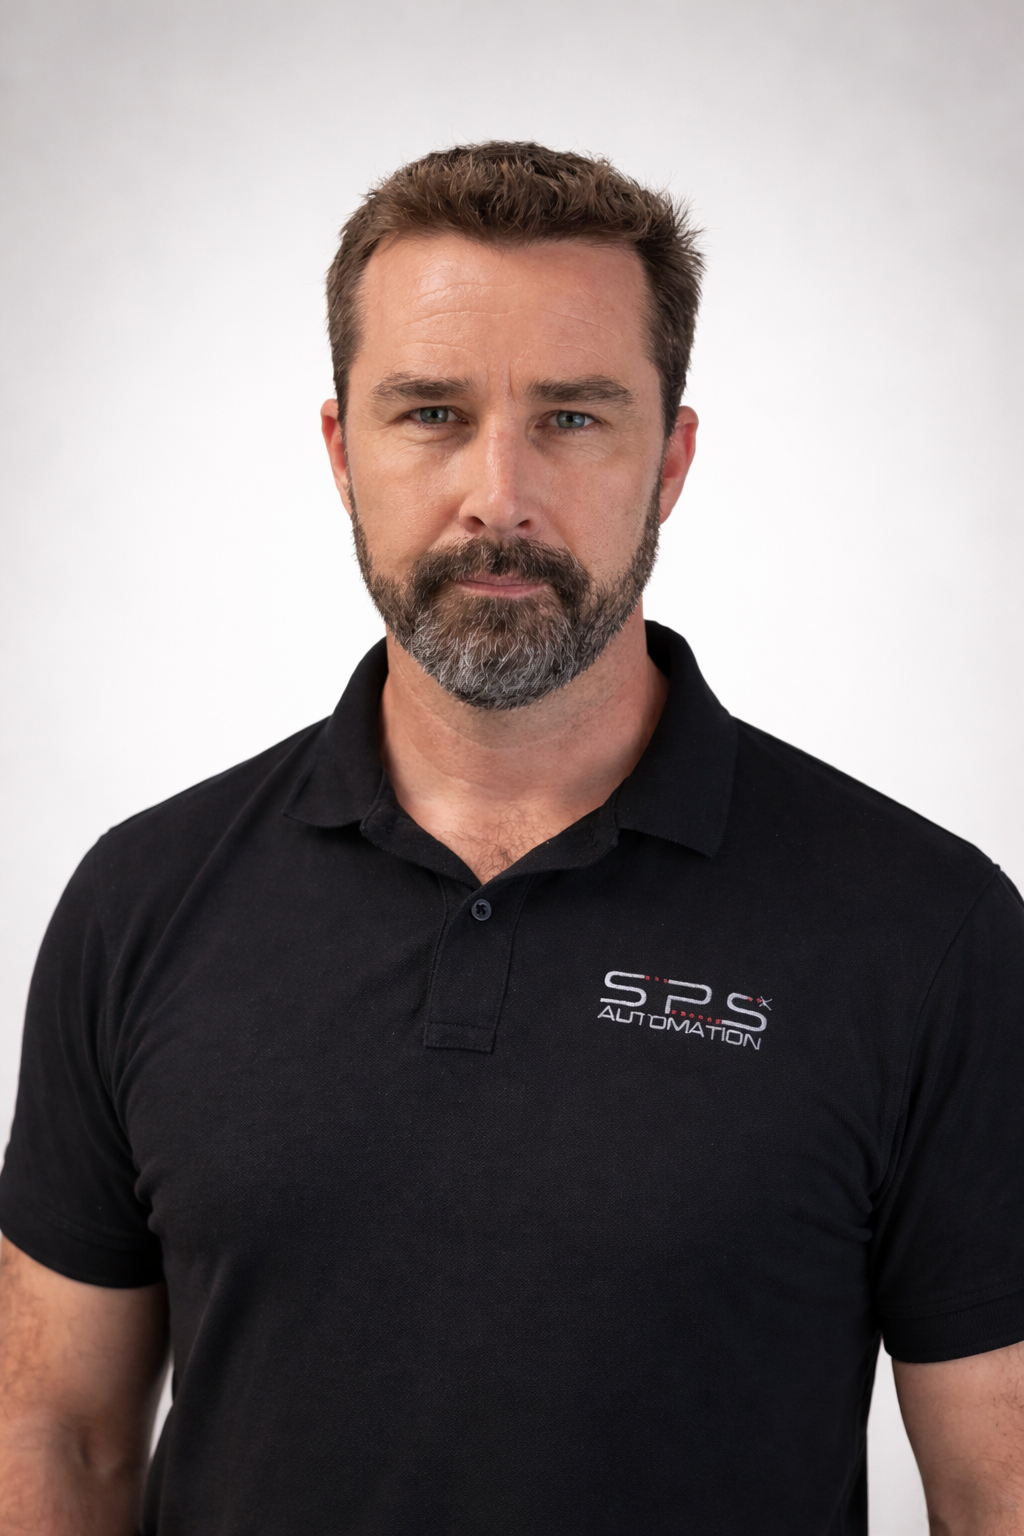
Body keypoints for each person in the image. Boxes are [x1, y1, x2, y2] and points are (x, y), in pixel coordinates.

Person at [0, 141, 1021, 1536]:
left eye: (574, 419)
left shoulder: (926, 930)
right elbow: (58, 1442)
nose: (499, 495)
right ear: (339, 450)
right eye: (429, 411)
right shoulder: (144, 899)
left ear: (672, 460)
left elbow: (999, 1484)